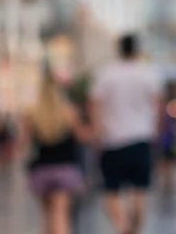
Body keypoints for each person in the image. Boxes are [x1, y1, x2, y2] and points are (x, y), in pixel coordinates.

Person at [89, 34, 164, 234]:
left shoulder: (106, 74)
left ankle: (122, 227)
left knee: (111, 192)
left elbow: (96, 106)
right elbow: (157, 106)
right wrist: (155, 133)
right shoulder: (148, 73)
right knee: (140, 192)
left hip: (112, 141)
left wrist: (97, 133)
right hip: (141, 139)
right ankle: (136, 230)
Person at [23, 74, 91, 234]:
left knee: (48, 217)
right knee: (61, 216)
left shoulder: (32, 114)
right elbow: (83, 137)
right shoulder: (69, 112)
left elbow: (23, 143)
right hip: (65, 169)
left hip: (41, 170)